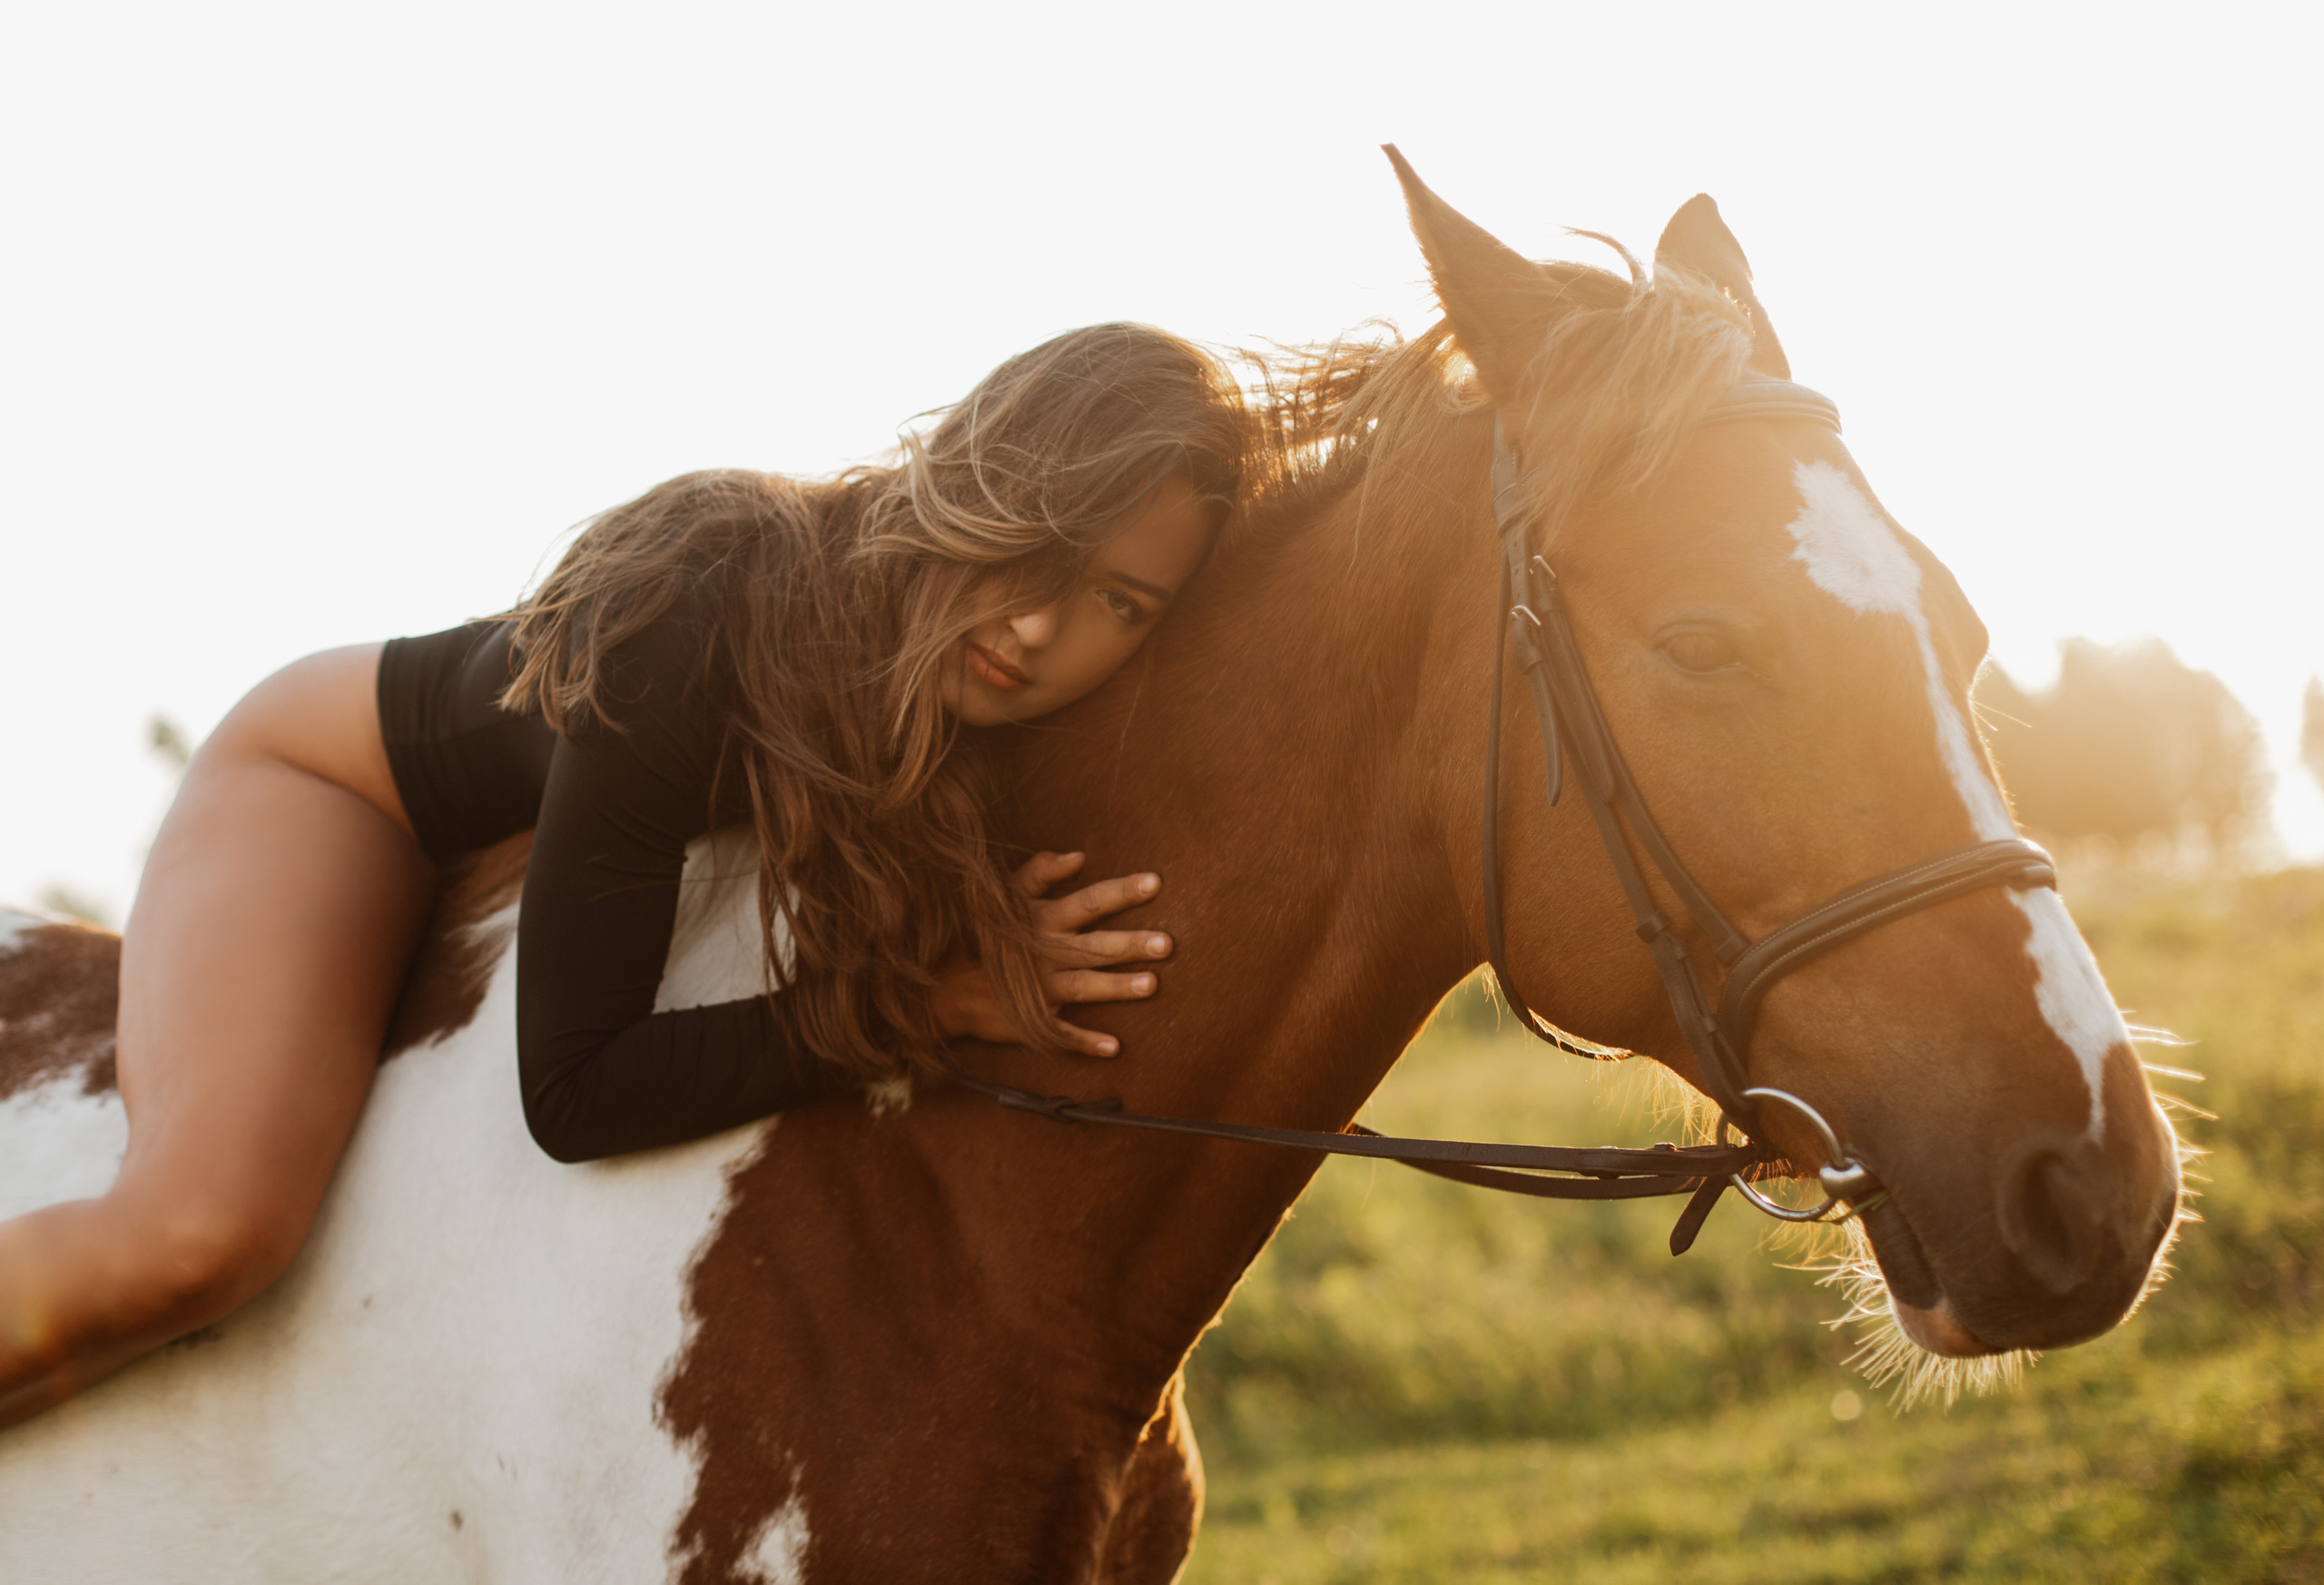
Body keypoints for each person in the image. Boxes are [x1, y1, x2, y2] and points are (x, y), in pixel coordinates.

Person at [0, 323, 1249, 1428]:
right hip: (340, 789)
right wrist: (919, 1006)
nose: (1042, 626)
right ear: (982, 470)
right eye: (1043, 541)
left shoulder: (984, 700)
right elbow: (576, 1092)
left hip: (499, 845)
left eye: (1121, 603)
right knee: (203, 1233)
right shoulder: (702, 608)